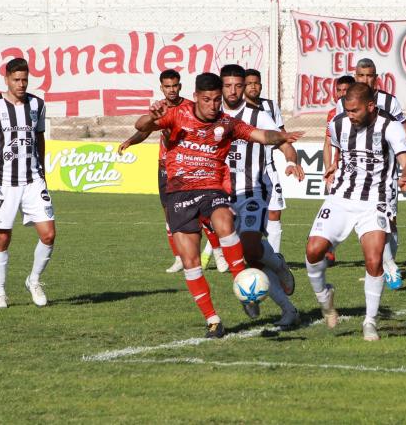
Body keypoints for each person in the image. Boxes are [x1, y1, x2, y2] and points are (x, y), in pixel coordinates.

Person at [135, 72, 303, 338]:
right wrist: (152, 116)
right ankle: (213, 319)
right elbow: (141, 125)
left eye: (216, 100)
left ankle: (245, 289)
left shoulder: (228, 123)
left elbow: (260, 135)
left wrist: (281, 138)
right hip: (178, 194)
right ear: (196, 98)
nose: (213, 105)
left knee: (224, 221)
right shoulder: (176, 114)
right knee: (191, 261)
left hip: (212, 190)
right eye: (207, 100)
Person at [306, 83, 406, 341]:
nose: (350, 115)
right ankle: (325, 299)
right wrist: (333, 166)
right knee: (313, 251)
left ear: (370, 107)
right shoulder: (338, 123)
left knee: (374, 259)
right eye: (347, 110)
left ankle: (370, 321)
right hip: (341, 198)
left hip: (374, 201)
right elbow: (339, 151)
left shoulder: (390, 127)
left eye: (355, 110)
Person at [0, 58, 57, 309]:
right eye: (16, 80)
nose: (21, 84)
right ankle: (0, 293)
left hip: (32, 180)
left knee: (49, 234)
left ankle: (35, 280)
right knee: (2, 238)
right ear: (6, 79)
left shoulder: (37, 105)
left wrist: (42, 170)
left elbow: (39, 138)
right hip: (3, 183)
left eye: (25, 80)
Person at [118, 69, 225, 273]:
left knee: (201, 212)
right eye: (167, 86)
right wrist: (130, 141)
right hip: (165, 167)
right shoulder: (159, 109)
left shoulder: (191, 107)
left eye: (175, 85)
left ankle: (218, 253)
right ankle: (178, 257)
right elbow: (145, 129)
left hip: (188, 167)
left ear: (180, 86)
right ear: (161, 88)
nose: (172, 90)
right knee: (170, 215)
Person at [222, 64, 304, 327]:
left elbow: (283, 143)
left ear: (245, 88)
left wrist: (292, 161)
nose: (233, 91)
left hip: (254, 188)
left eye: (239, 85)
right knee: (248, 257)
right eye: (228, 85)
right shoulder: (211, 115)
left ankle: (278, 266)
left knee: (249, 246)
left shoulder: (257, 116)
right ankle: (286, 308)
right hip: (221, 194)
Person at [333, 58, 406, 289]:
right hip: (357, 174)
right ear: (356, 75)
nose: (365, 79)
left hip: (385, 171)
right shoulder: (345, 103)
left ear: (376, 78)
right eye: (361, 75)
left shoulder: (390, 102)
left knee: (389, 220)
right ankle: (387, 267)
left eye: (369, 76)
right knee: (365, 220)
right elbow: (335, 135)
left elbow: (405, 130)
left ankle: (386, 264)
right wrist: (332, 163)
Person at [242, 68, 288, 258]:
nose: (253, 86)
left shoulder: (270, 106)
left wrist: (290, 159)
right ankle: (216, 251)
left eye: (256, 82)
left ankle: (274, 257)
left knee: (275, 213)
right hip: (241, 171)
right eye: (249, 83)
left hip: (268, 168)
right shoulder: (236, 109)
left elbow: (281, 135)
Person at [321, 75, 355, 266]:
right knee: (333, 210)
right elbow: (327, 144)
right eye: (339, 90)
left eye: (346, 90)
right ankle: (330, 251)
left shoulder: (360, 112)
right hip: (338, 170)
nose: (342, 94)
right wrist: (328, 170)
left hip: (358, 171)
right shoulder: (332, 114)